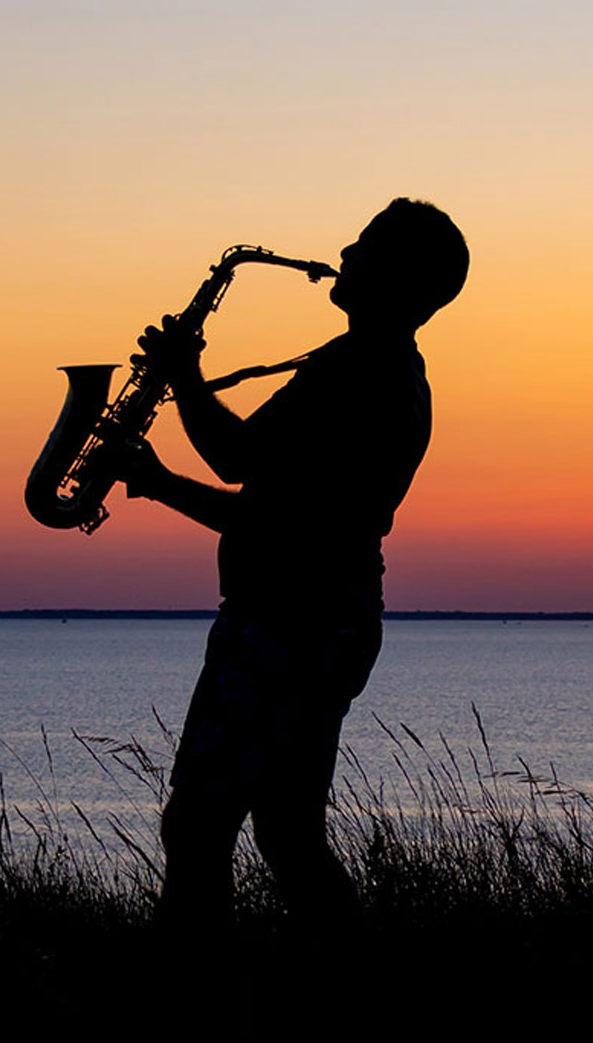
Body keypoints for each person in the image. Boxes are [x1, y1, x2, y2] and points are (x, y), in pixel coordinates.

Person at [119, 197, 469, 932]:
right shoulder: (376, 370)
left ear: (399, 278)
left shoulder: (358, 375)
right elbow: (276, 516)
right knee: (287, 835)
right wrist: (155, 480)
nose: (346, 249)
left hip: (286, 626)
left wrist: (183, 376)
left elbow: (237, 461)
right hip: (321, 622)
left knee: (198, 826)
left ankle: (181, 999)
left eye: (367, 245)